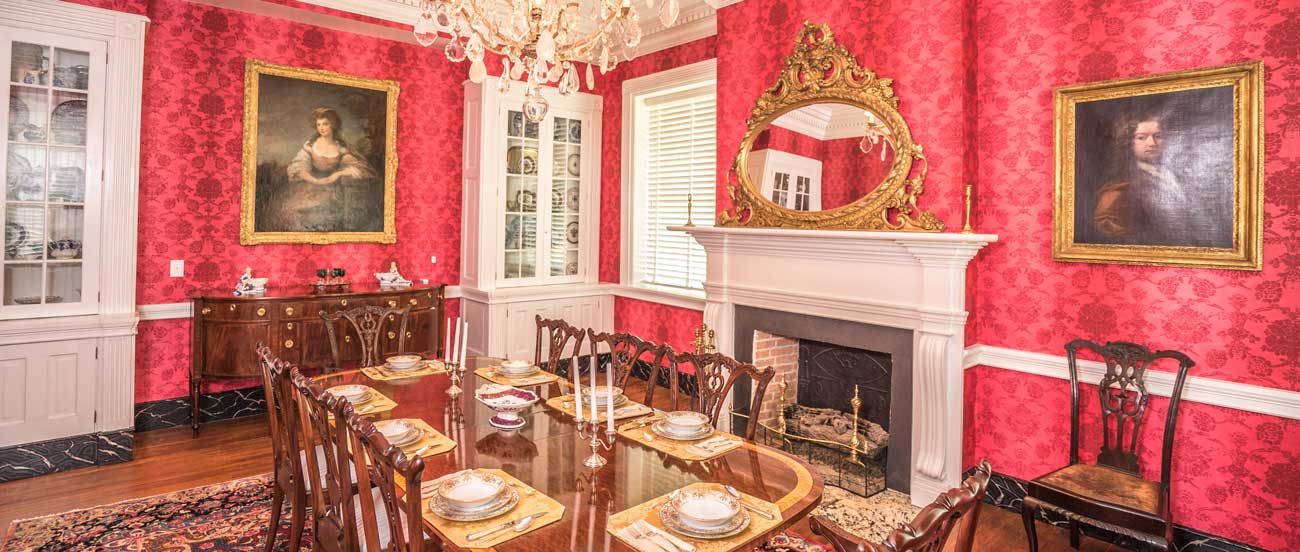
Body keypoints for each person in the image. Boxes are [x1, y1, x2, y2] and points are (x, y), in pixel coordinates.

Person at [1087, 110, 1228, 248]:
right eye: (1141, 137)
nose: (1152, 143)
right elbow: (1110, 233)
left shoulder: (1176, 175)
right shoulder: (1122, 188)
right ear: (1129, 142)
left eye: (1158, 136)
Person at [280, 107, 378, 231]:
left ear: (333, 125)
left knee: (331, 213)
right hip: (310, 186)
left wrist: (337, 174)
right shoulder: (310, 146)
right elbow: (299, 167)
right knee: (297, 211)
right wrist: (317, 181)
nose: (321, 128)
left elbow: (357, 167)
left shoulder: (340, 148)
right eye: (318, 124)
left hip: (333, 189)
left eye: (325, 124)